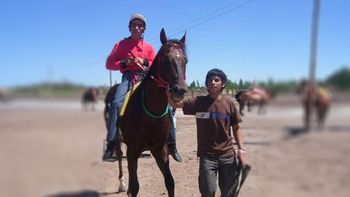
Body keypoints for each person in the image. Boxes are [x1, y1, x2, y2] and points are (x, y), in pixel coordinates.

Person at [103, 13, 182, 162]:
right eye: (134, 25)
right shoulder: (120, 45)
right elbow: (109, 63)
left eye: (140, 25)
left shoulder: (149, 48)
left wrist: (145, 62)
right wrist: (124, 63)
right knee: (115, 104)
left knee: (167, 108)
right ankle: (111, 145)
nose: (137, 28)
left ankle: (172, 146)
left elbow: (156, 64)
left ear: (144, 29)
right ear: (130, 27)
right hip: (128, 78)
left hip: (146, 79)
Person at [167, 68, 246, 196]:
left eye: (216, 80)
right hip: (207, 157)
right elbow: (176, 105)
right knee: (208, 191)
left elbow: (236, 128)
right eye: (210, 80)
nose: (213, 82)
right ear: (206, 84)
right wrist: (168, 94)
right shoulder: (198, 102)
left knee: (229, 192)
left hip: (228, 155)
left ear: (223, 84)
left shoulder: (229, 104)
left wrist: (241, 149)